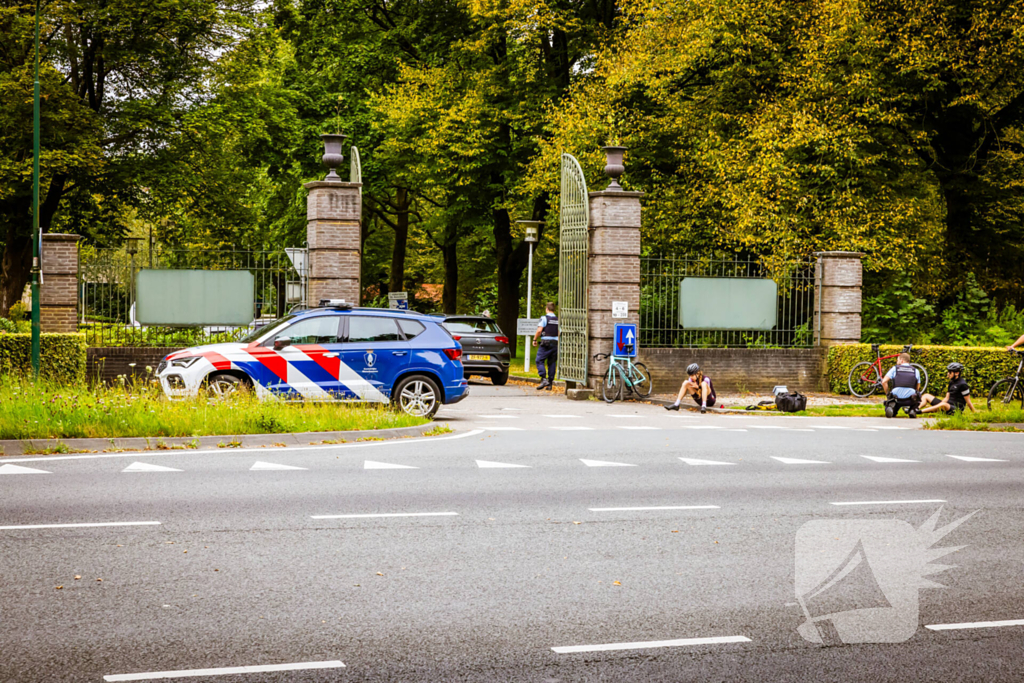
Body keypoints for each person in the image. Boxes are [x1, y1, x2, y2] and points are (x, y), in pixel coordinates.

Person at [880, 353, 921, 418]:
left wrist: (888, 394)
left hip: (896, 398)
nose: (897, 362)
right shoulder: (916, 371)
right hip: (910, 399)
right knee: (918, 395)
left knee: (892, 401)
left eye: (897, 360)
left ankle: (892, 409)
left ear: (901, 360)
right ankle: (913, 410)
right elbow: (917, 388)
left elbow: (884, 382)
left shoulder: (895, 368)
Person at [533, 302, 559, 390]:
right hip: (555, 343)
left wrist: (535, 339)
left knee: (539, 360)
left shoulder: (544, 318)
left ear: (547, 309)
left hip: (546, 343)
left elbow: (539, 330)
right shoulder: (558, 319)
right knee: (552, 363)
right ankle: (550, 383)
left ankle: (544, 379)